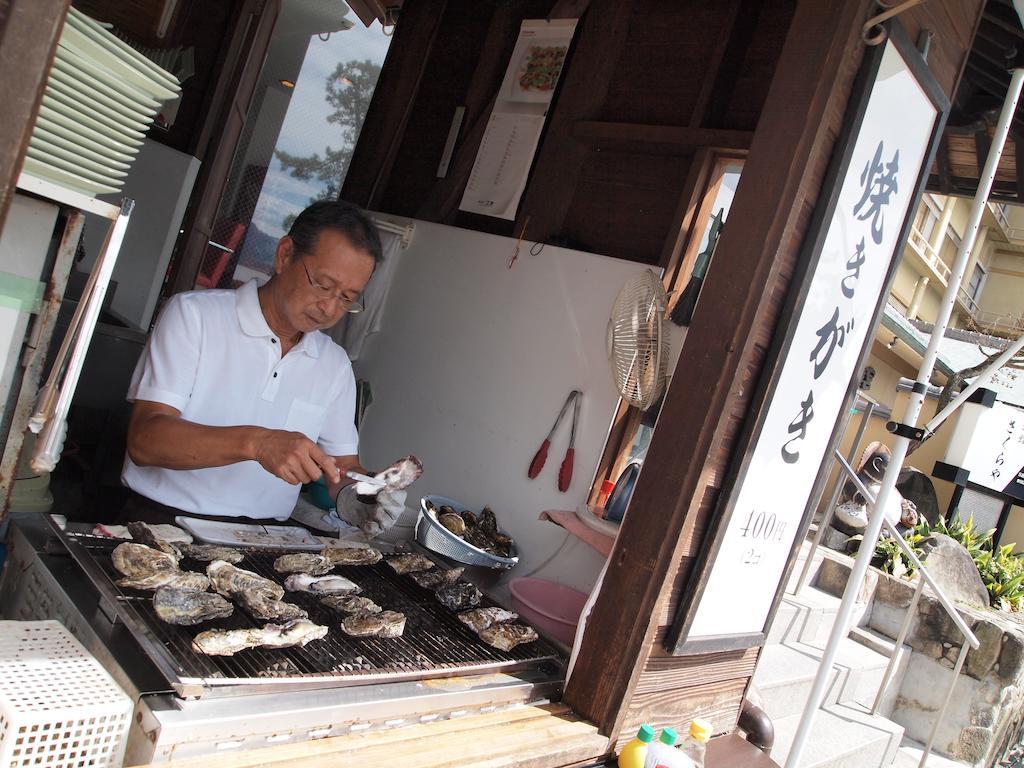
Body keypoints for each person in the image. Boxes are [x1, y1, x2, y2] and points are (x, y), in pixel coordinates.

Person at [120, 200, 385, 526]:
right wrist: (257, 443)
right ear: (285, 254)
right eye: (324, 284)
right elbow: (145, 441)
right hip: (159, 521)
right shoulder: (195, 316)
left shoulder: (334, 364)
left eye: (346, 298)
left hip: (260, 540)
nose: (329, 307)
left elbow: (342, 466)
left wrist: (371, 492)